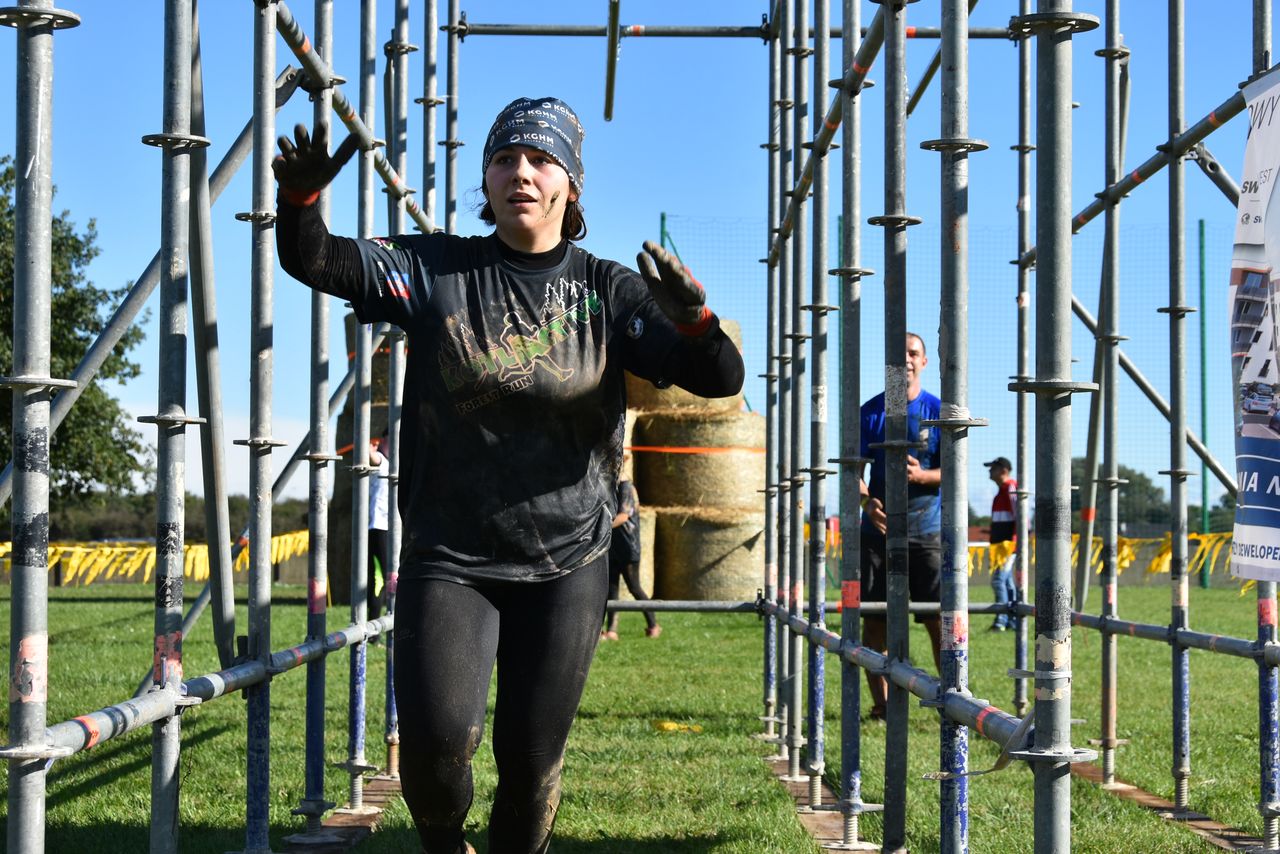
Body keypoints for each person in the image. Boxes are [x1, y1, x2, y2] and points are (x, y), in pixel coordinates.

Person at [272, 96, 743, 854]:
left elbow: (719, 378)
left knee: (528, 765)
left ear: (571, 184)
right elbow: (316, 259)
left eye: (541, 159)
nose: (521, 172)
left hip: (569, 560)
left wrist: (695, 323)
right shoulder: (434, 269)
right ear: (486, 181)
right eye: (504, 159)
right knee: (434, 757)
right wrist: (300, 202)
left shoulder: (608, 290)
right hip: (450, 556)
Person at [857, 332, 943, 721]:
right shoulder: (869, 413)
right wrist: (866, 501)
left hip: (926, 531)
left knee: (938, 619)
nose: (906, 359)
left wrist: (923, 476)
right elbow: (852, 473)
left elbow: (954, 470)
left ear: (924, 362)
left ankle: (951, 701)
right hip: (877, 533)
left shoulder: (937, 412)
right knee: (875, 620)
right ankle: (884, 707)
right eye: (899, 353)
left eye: (913, 353)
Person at [602, 454, 660, 640]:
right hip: (614, 545)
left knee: (635, 588)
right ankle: (611, 630)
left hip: (628, 546)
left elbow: (623, 516)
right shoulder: (613, 487)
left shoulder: (626, 487)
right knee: (611, 589)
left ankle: (653, 625)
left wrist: (601, 528)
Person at [984, 456, 1018, 631]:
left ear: (1004, 471)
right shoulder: (1000, 492)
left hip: (1007, 546)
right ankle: (1013, 620)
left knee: (998, 580)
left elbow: (1020, 516)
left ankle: (1001, 620)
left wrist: (1015, 541)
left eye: (993, 468)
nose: (990, 471)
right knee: (1007, 582)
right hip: (1000, 546)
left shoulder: (1011, 488)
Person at [366, 431, 390, 623]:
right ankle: (375, 625)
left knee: (380, 578)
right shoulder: (382, 459)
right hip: (380, 527)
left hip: (383, 527)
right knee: (384, 576)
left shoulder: (393, 463)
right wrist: (368, 449)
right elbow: (373, 457)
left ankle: (375, 625)